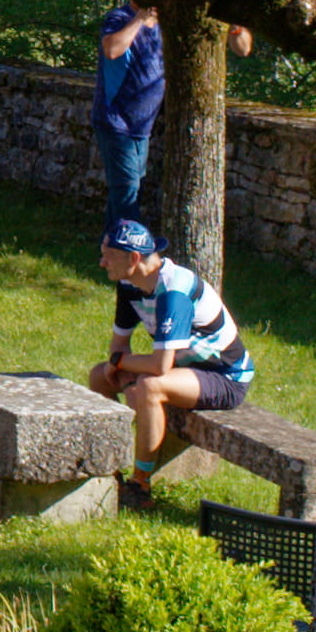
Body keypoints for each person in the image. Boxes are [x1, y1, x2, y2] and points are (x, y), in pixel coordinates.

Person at [86, 219, 242, 519]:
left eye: (108, 256)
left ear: (133, 258)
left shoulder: (174, 292)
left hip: (224, 377)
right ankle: (109, 470)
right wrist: (118, 367)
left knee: (149, 387)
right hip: (182, 372)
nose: (102, 262)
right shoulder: (130, 285)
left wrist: (121, 365)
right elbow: (119, 345)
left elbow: (158, 366)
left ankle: (140, 485)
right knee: (98, 376)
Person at [90, 0, 163, 229]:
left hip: (141, 128)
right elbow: (111, 49)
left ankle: (111, 251)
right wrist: (140, 19)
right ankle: (127, 255)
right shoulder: (120, 18)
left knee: (127, 192)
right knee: (127, 195)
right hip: (116, 122)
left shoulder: (163, 26)